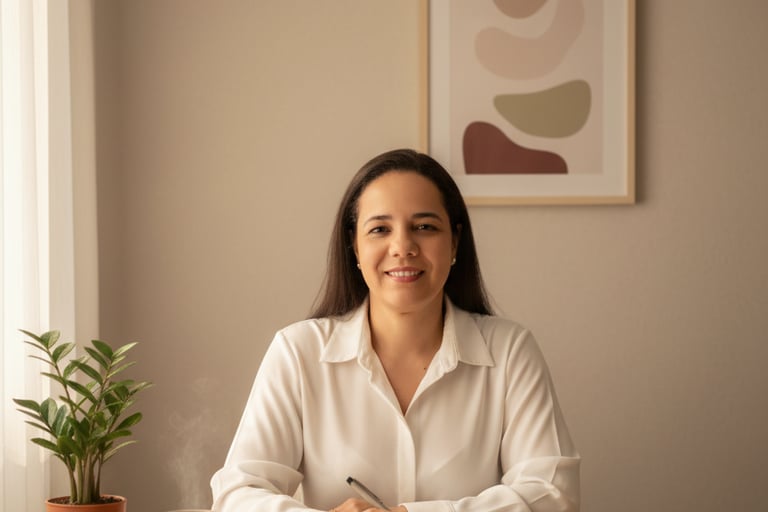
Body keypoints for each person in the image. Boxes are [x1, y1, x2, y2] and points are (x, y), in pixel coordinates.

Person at [210, 149, 580, 512]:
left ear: (454, 241)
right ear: (354, 246)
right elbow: (237, 495)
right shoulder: (298, 352)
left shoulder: (510, 350)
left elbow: (553, 495)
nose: (402, 247)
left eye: (425, 227)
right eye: (380, 229)